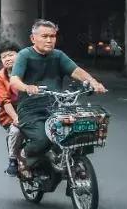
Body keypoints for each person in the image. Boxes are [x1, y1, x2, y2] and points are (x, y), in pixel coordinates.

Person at [9, 20, 106, 176]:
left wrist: (93, 82)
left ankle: (72, 164)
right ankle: (23, 155)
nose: (49, 40)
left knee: (80, 132)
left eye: (53, 36)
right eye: (45, 36)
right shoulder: (25, 55)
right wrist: (27, 87)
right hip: (31, 109)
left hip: (56, 106)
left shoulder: (58, 55)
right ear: (33, 38)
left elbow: (77, 71)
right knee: (44, 139)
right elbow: (14, 80)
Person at [0, 44, 23, 176]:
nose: (7, 59)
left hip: (32, 109)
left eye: (11, 55)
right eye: (4, 57)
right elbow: (4, 101)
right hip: (9, 115)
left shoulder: (28, 71)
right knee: (16, 130)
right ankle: (13, 161)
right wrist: (16, 118)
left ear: (19, 56)